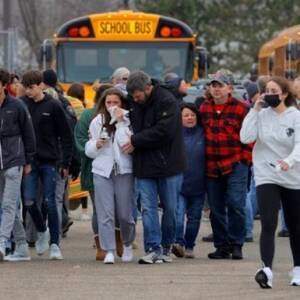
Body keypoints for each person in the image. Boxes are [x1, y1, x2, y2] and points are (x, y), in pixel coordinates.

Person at [240, 76, 300, 288]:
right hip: (266, 174)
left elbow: (299, 145)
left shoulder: (295, 116)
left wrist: (290, 161)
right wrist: (254, 111)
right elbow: (245, 138)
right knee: (268, 222)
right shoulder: (261, 114)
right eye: (266, 90)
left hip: (292, 176)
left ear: (284, 94)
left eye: (274, 90)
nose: (268, 94)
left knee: (295, 225)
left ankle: (298, 268)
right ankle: (266, 269)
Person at [124, 70, 186, 264]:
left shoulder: (167, 101)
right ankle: (153, 247)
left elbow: (164, 132)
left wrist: (135, 140)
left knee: (170, 208)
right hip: (144, 164)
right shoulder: (133, 102)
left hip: (169, 164)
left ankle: (167, 246)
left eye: (138, 95)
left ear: (148, 88)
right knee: (148, 208)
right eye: (133, 96)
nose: (135, 99)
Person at [199, 69, 252, 260]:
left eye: (220, 85)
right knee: (216, 207)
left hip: (235, 163)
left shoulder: (241, 108)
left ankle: (236, 244)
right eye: (213, 85)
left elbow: (250, 136)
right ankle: (221, 245)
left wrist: (245, 159)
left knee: (236, 204)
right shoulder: (204, 108)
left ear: (229, 88)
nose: (216, 89)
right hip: (212, 165)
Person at [21, 70, 73, 260]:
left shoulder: (54, 106)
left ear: (40, 85)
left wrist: (65, 162)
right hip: (29, 161)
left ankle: (54, 244)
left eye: (31, 87)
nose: (28, 91)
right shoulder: (22, 105)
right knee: (29, 200)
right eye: (25, 88)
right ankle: (42, 230)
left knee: (50, 201)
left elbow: (66, 136)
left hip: (50, 161)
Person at [85, 87, 135, 264]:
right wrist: (96, 144)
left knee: (124, 213)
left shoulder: (129, 120)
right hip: (102, 171)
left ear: (122, 103)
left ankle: (128, 243)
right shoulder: (97, 121)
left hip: (124, 170)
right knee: (105, 213)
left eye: (115, 103)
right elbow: (89, 150)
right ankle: (109, 250)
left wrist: (121, 123)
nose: (112, 106)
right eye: (108, 103)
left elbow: (125, 145)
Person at [74, 83, 117, 261]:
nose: (112, 104)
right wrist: (93, 147)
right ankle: (100, 245)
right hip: (94, 169)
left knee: (118, 208)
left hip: (118, 169)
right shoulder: (88, 116)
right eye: (108, 101)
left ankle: (118, 239)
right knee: (100, 209)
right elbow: (80, 141)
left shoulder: (122, 115)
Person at [0, 68, 36, 262]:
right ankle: (21, 246)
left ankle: (2, 243)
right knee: (7, 206)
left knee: (8, 204)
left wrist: (29, 160)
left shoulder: (17, 106)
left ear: (4, 85)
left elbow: (29, 134)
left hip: (14, 161)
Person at [171, 103, 205, 259]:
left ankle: (190, 245)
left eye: (192, 115)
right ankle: (178, 243)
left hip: (199, 185)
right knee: (178, 217)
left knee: (194, 218)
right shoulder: (174, 134)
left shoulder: (203, 133)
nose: (190, 118)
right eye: (186, 115)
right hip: (179, 185)